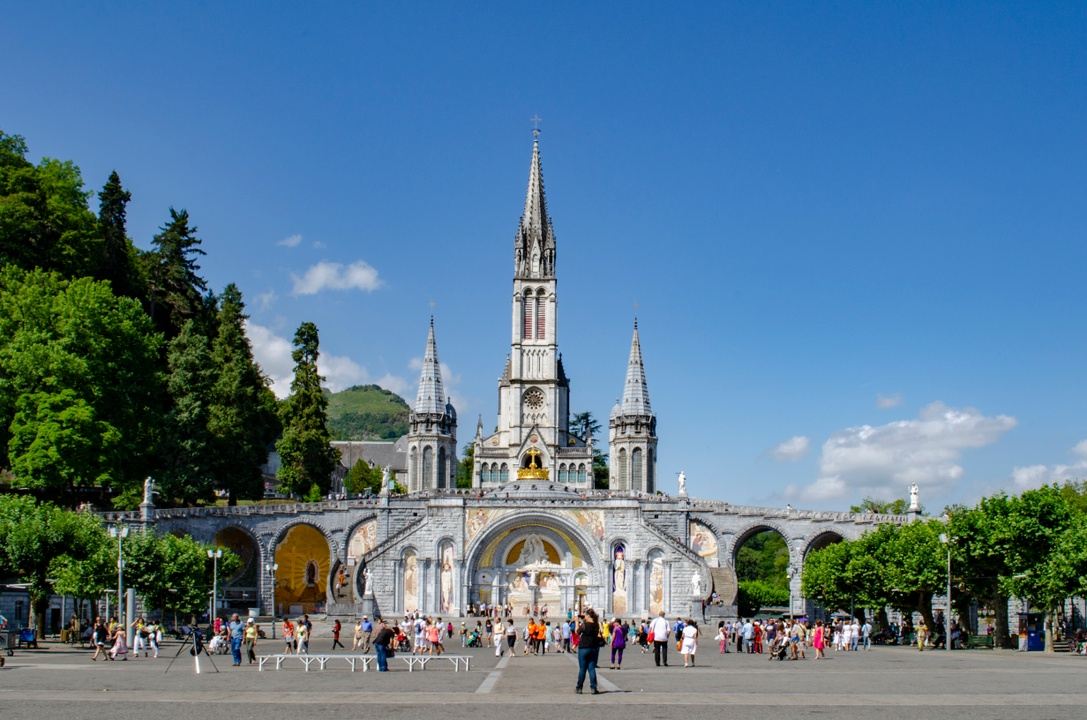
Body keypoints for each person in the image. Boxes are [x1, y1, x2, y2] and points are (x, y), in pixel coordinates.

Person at [575, 610, 602, 695]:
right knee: (591, 669)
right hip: (593, 648)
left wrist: (576, 622)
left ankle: (579, 688)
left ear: (588, 616)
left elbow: (577, 632)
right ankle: (593, 688)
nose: (584, 617)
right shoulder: (596, 625)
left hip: (583, 648)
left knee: (582, 669)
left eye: (585, 615)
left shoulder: (584, 625)